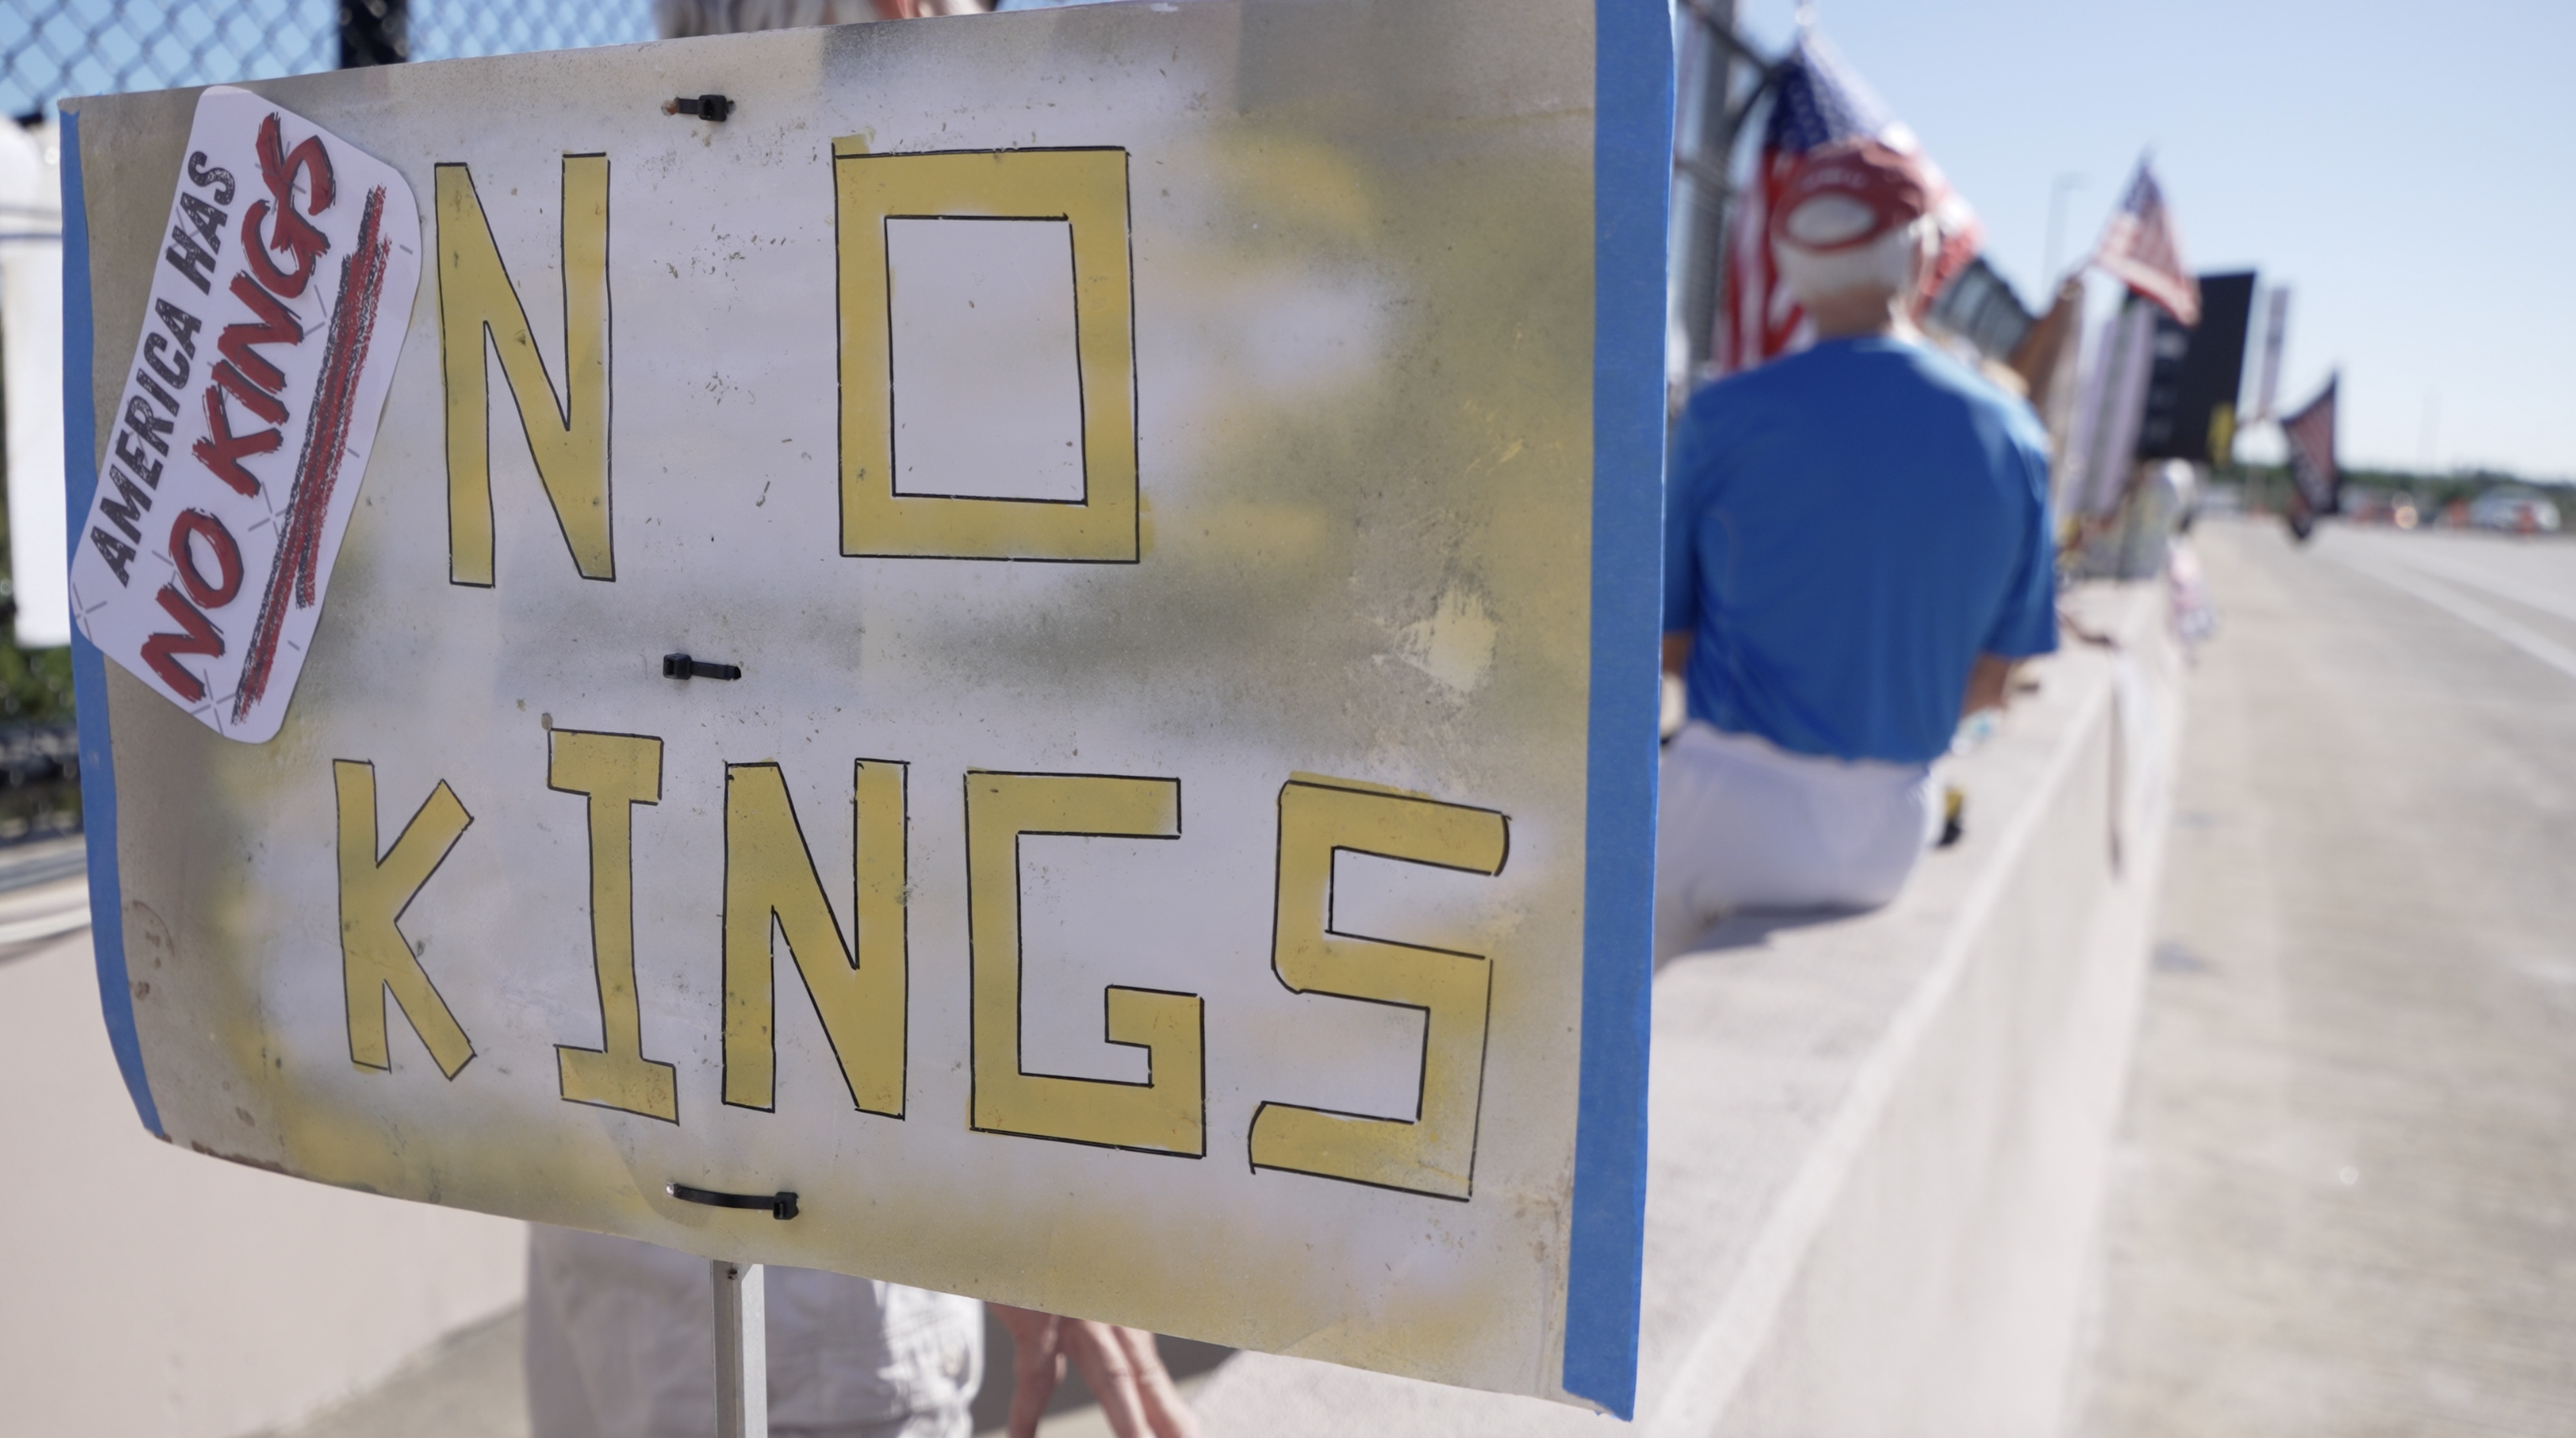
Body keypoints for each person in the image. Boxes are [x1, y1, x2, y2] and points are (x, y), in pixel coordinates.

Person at [1656, 138, 2058, 962]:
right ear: (1919, 254)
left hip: (1719, 809)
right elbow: (1991, 684)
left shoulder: (1723, 417)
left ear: (1790, 259)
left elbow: (1666, 642)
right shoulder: (2012, 434)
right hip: (1888, 835)